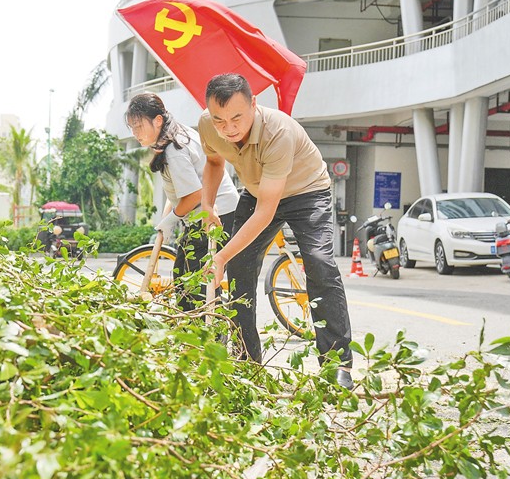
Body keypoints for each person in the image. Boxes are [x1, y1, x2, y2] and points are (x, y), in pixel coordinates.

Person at [198, 73, 354, 389]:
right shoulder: (207, 125)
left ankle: (337, 365)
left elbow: (265, 213)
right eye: (220, 120)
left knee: (319, 262)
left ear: (254, 104)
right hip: (259, 190)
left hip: (307, 191)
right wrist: (207, 204)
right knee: (239, 267)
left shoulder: (278, 131)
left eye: (237, 118)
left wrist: (220, 257)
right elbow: (214, 162)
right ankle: (246, 360)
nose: (229, 128)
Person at [126, 93, 239, 311]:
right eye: (132, 127)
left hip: (216, 214)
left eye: (138, 126)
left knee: (195, 284)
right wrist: (168, 215)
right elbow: (181, 191)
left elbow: (194, 194)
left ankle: (206, 328)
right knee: (186, 277)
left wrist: (172, 219)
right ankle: (198, 324)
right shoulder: (176, 134)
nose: (135, 133)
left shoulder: (174, 150)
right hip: (212, 211)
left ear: (157, 120)